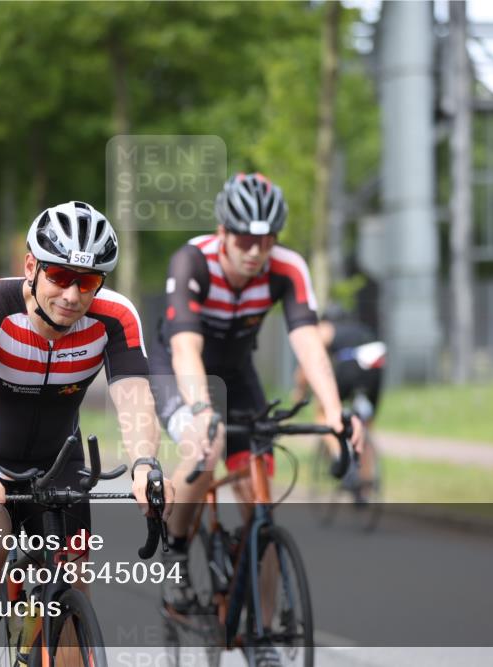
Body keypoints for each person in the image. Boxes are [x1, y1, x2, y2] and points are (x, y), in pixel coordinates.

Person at [0, 201, 174, 667]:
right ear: (31, 266)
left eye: (86, 282)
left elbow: (135, 397)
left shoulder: (116, 317)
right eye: (60, 277)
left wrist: (145, 464)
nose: (71, 294)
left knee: (72, 588)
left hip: (58, 458)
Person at [149, 173, 363, 619]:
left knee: (259, 508)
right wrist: (203, 409)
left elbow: (307, 343)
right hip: (179, 366)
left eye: (266, 241)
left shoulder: (288, 267)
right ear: (222, 232)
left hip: (238, 371)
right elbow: (187, 347)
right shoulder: (192, 260)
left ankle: (263, 636)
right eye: (245, 239)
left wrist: (335, 410)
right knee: (206, 448)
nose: (255, 252)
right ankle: (177, 552)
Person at [294, 305, 385, 501]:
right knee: (365, 425)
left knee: (324, 414)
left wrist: (300, 392)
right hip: (375, 370)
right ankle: (365, 488)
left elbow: (308, 359)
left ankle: (342, 460)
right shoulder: (361, 329)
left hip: (349, 366)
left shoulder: (326, 328)